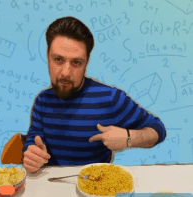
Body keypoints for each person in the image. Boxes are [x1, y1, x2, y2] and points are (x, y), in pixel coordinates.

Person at [22, 16, 167, 172]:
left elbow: (158, 130)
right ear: (48, 57)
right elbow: (33, 138)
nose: (65, 72)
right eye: (58, 59)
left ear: (87, 62)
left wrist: (129, 138)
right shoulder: (43, 101)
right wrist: (31, 153)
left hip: (96, 186)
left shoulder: (111, 98)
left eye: (76, 62)